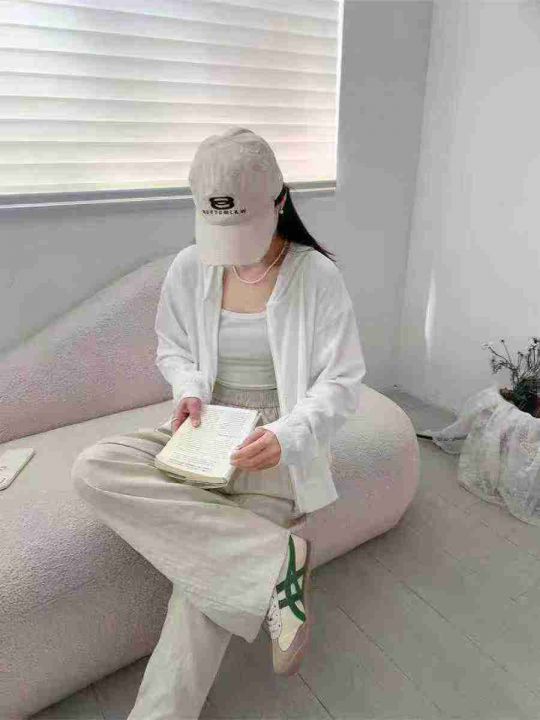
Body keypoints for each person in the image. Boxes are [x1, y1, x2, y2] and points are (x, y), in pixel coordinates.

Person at [71, 126, 367, 720]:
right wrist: (188, 391)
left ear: (281, 201)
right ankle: (276, 559)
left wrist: (285, 436)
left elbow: (342, 381)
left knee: (198, 596)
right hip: (205, 428)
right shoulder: (190, 267)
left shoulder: (317, 277)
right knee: (94, 468)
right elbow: (173, 347)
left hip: (274, 442)